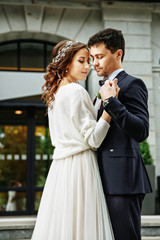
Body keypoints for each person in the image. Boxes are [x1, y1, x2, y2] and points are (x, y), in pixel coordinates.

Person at [31, 40, 118, 240]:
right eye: (82, 61)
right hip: (80, 166)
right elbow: (94, 139)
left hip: (60, 169)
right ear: (66, 63)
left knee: (63, 226)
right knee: (83, 226)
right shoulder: (76, 91)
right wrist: (109, 106)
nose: (88, 66)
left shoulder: (55, 94)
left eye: (88, 61)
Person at [88, 28, 152, 240]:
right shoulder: (98, 89)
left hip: (122, 181)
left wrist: (111, 102)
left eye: (99, 57)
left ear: (118, 54)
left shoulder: (132, 84)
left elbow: (141, 130)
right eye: (91, 58)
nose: (94, 63)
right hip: (99, 178)